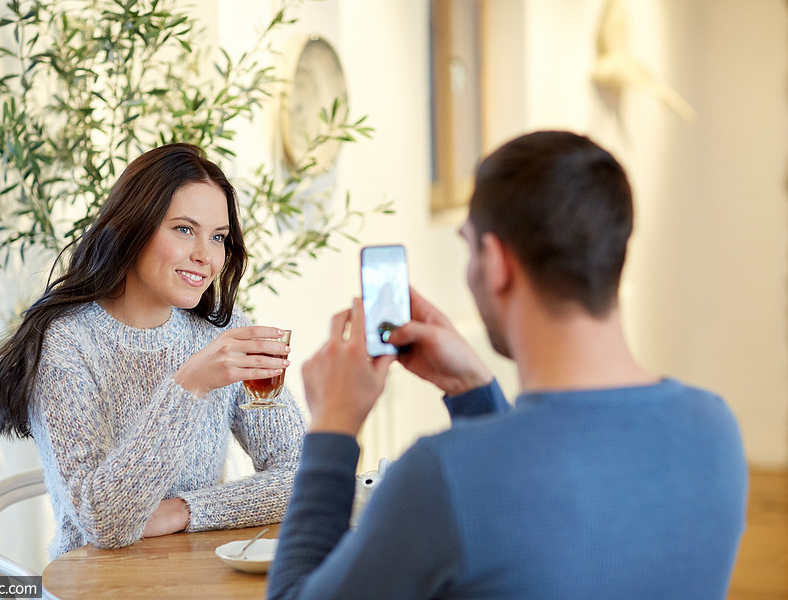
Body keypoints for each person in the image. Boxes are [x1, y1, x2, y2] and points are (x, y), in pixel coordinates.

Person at [267, 131, 747, 599]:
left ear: (495, 261)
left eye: (469, 245)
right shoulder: (713, 429)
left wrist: (333, 427)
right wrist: (473, 390)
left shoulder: (441, 475)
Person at [0, 143, 305, 559]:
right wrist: (190, 383)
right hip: (98, 584)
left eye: (218, 237)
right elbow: (106, 522)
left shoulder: (224, 329)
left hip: (196, 579)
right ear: (135, 227)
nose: (205, 257)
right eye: (184, 229)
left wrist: (186, 511)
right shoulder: (66, 346)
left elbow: (302, 474)